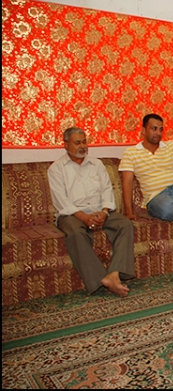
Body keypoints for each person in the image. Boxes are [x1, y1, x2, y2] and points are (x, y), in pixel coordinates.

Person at [48, 127, 135, 297]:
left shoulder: (97, 164)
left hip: (99, 211)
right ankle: (100, 279)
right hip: (72, 214)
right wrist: (83, 217)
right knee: (75, 233)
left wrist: (104, 212)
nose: (82, 146)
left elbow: (107, 190)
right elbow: (61, 201)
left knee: (124, 224)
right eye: (77, 143)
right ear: (66, 145)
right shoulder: (56, 169)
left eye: (84, 142)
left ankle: (114, 274)